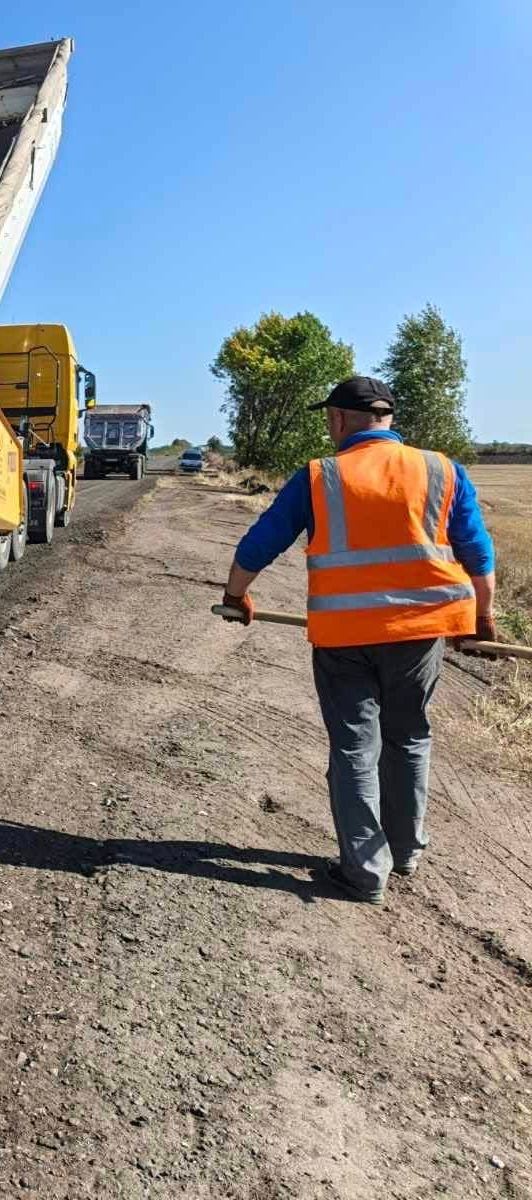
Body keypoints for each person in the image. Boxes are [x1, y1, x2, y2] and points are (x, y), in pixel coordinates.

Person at [219, 376, 497, 904]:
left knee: (354, 747)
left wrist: (236, 596)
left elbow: (261, 542)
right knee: (409, 735)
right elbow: (477, 550)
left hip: (345, 637)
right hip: (420, 634)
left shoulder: (320, 476)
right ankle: (407, 849)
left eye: (329, 418)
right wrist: (482, 617)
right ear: (387, 419)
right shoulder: (441, 469)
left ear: (339, 420)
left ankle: (366, 871)